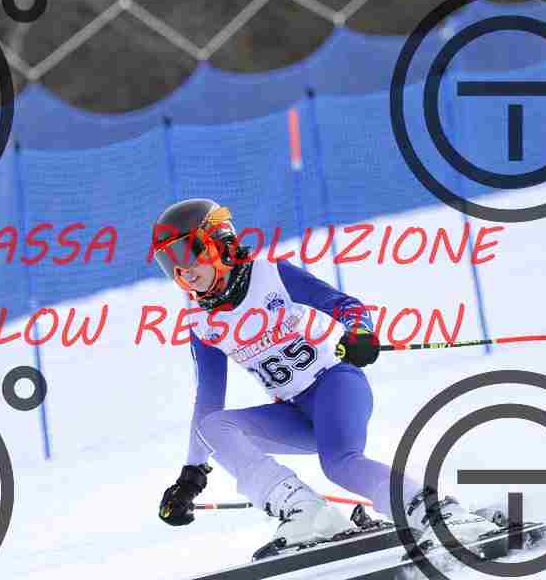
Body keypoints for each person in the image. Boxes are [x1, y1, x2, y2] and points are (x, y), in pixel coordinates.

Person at [151, 198, 498, 552]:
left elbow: (345, 306)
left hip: (335, 384)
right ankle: (307, 512)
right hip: (294, 412)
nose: (183, 271)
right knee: (213, 427)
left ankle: (436, 512)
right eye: (169, 263)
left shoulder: (269, 275)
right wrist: (192, 475)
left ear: (219, 241)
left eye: (186, 252)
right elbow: (208, 397)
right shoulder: (202, 321)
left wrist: (359, 332)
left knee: (340, 464)